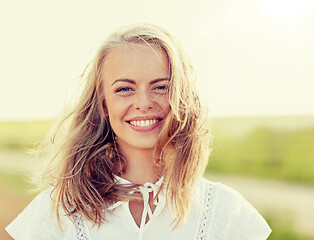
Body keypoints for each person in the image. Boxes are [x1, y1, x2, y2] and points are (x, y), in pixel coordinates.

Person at [6, 23, 271, 240]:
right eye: (124, 88)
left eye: (161, 87)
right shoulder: (57, 211)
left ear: (182, 97)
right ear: (103, 103)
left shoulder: (226, 212)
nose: (144, 103)